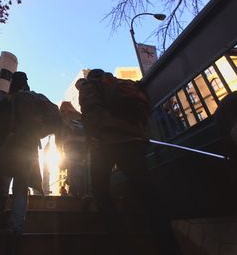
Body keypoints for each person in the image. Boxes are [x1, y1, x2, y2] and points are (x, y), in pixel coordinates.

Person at [77, 69, 181, 254]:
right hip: (135, 140)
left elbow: (90, 110)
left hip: (106, 142)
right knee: (147, 193)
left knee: (100, 191)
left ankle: (119, 242)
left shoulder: (89, 85)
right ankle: (168, 246)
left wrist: (94, 135)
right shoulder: (123, 84)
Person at [0, 71, 42, 241]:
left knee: (4, 182)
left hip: (5, 149)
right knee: (21, 187)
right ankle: (15, 226)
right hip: (26, 151)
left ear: (12, 84)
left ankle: (0, 210)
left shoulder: (5, 102)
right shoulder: (31, 102)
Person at [59, 101, 87, 197]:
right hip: (82, 144)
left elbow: (60, 136)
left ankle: (73, 191)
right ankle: (83, 191)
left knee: (73, 166)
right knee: (81, 166)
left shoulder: (65, 118)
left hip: (71, 144)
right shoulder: (79, 115)